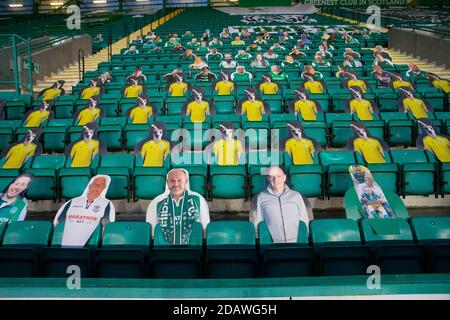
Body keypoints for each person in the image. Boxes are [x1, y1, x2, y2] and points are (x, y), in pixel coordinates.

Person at [146, 169, 210, 245]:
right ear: (167, 182)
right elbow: (150, 232)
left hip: (193, 250)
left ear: (186, 181)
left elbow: (206, 229)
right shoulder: (156, 202)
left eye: (179, 180)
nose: (176, 184)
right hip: (163, 251)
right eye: (172, 181)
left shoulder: (198, 200)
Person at [253, 166, 313, 243]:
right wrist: (258, 238)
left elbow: (304, 219)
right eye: (272, 177)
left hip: (296, 242)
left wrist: (306, 237)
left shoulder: (296, 195)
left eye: (279, 176)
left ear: (284, 178)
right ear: (268, 179)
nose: (276, 180)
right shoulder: (261, 197)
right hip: (273, 244)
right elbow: (259, 220)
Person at [54, 175, 115, 247]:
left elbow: (107, 226)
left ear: (104, 188)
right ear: (89, 186)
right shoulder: (72, 201)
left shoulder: (107, 204)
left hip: (90, 246)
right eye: (95, 184)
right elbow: (58, 222)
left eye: (101, 185)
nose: (97, 186)